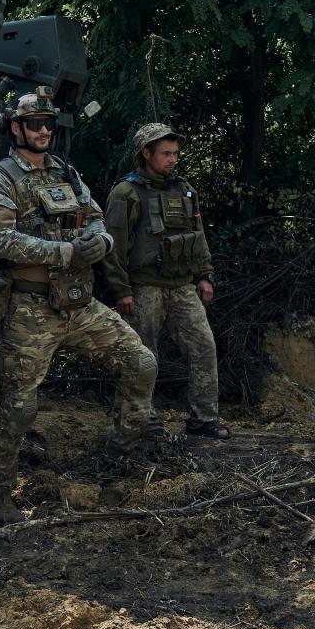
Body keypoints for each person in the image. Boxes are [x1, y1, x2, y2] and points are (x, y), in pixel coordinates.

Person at [0, 89, 158, 525]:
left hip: (80, 305)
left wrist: (103, 242)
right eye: (35, 123)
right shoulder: (0, 179)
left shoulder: (67, 174)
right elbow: (1, 240)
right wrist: (64, 253)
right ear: (16, 128)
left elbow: (96, 219)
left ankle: (115, 454)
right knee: (18, 405)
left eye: (48, 124)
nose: (43, 131)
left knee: (141, 363)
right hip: (29, 307)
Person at [104, 123, 230, 439]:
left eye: (175, 153)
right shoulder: (126, 193)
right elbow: (112, 245)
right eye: (166, 153)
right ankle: (141, 420)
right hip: (143, 286)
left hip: (182, 285)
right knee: (142, 355)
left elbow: (197, 237)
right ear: (146, 154)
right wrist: (121, 289)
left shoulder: (184, 190)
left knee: (203, 346)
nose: (173, 159)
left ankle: (204, 419)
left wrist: (205, 275)